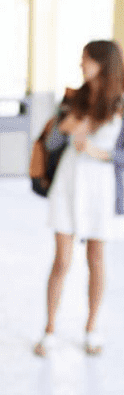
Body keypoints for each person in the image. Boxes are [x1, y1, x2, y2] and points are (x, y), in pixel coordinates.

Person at [34, 39, 124, 358]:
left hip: (102, 188)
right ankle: (50, 328)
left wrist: (96, 150)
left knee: (96, 261)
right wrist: (69, 121)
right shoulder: (75, 96)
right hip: (69, 182)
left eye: (86, 59)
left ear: (103, 63)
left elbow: (120, 155)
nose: (81, 65)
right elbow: (54, 139)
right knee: (61, 260)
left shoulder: (120, 102)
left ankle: (92, 327)